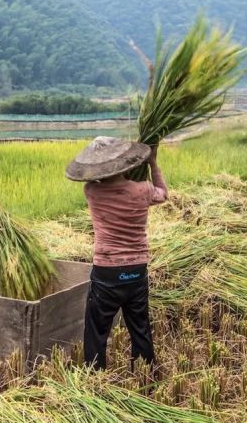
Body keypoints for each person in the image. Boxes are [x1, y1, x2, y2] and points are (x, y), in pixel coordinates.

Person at [65, 136, 168, 370]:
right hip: (136, 270)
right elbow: (163, 192)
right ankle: (145, 373)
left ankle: (95, 376)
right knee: (140, 325)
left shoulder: (91, 191)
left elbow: (95, 179)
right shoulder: (143, 190)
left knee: (97, 328)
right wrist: (152, 162)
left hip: (107, 271)